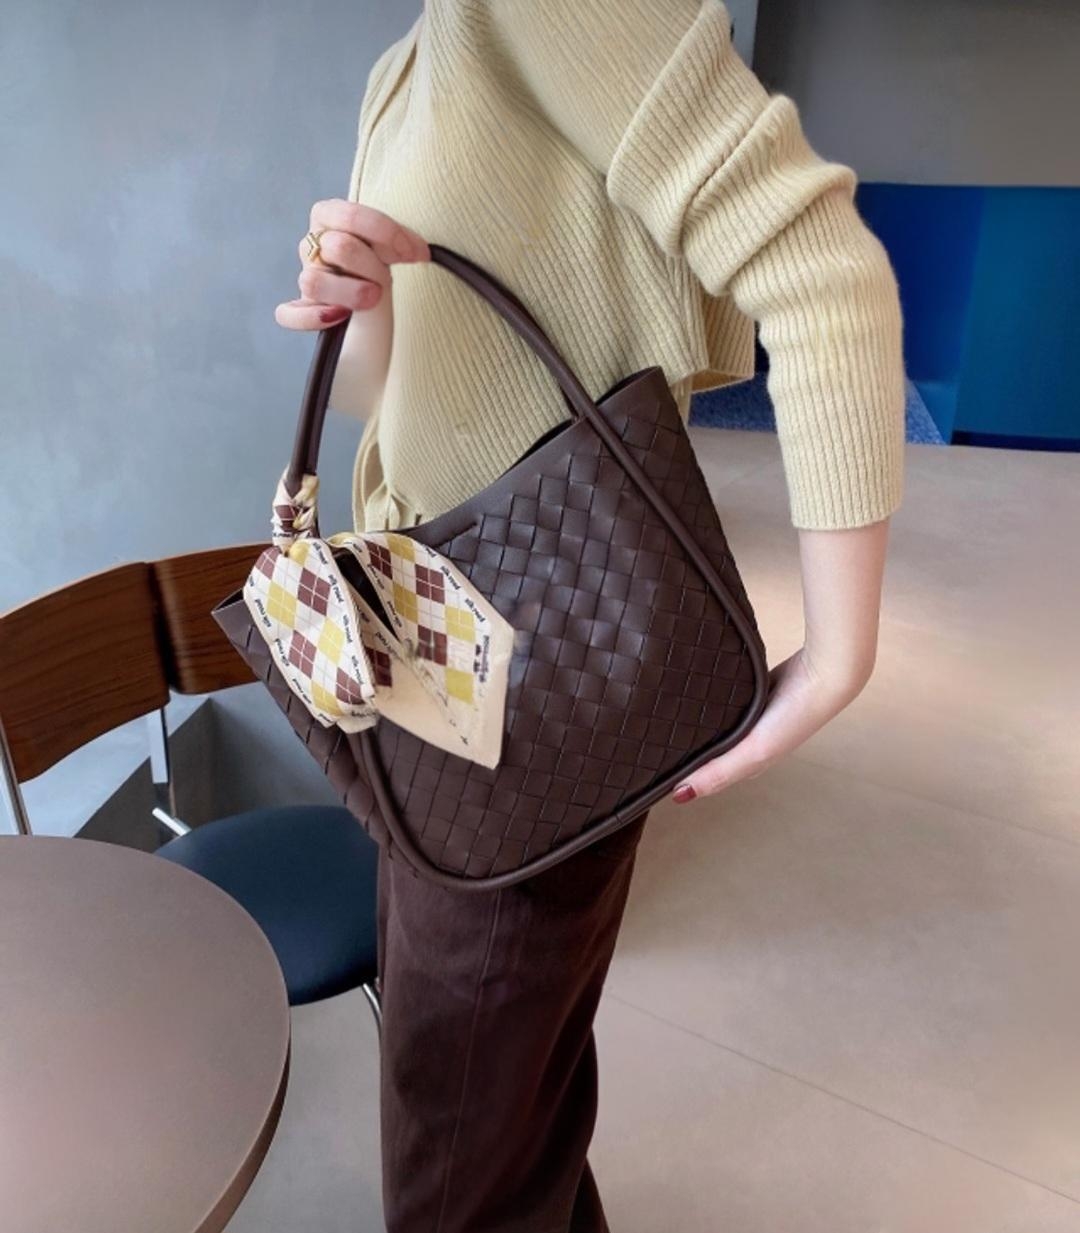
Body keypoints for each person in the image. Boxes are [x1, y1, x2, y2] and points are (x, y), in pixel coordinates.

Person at [275, 2, 906, 1229]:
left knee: (461, 1142)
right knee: (508, 1099)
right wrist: (358, 303)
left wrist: (840, 656)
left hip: (539, 661)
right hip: (418, 643)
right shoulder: (403, 65)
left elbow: (827, 274)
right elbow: (389, 399)